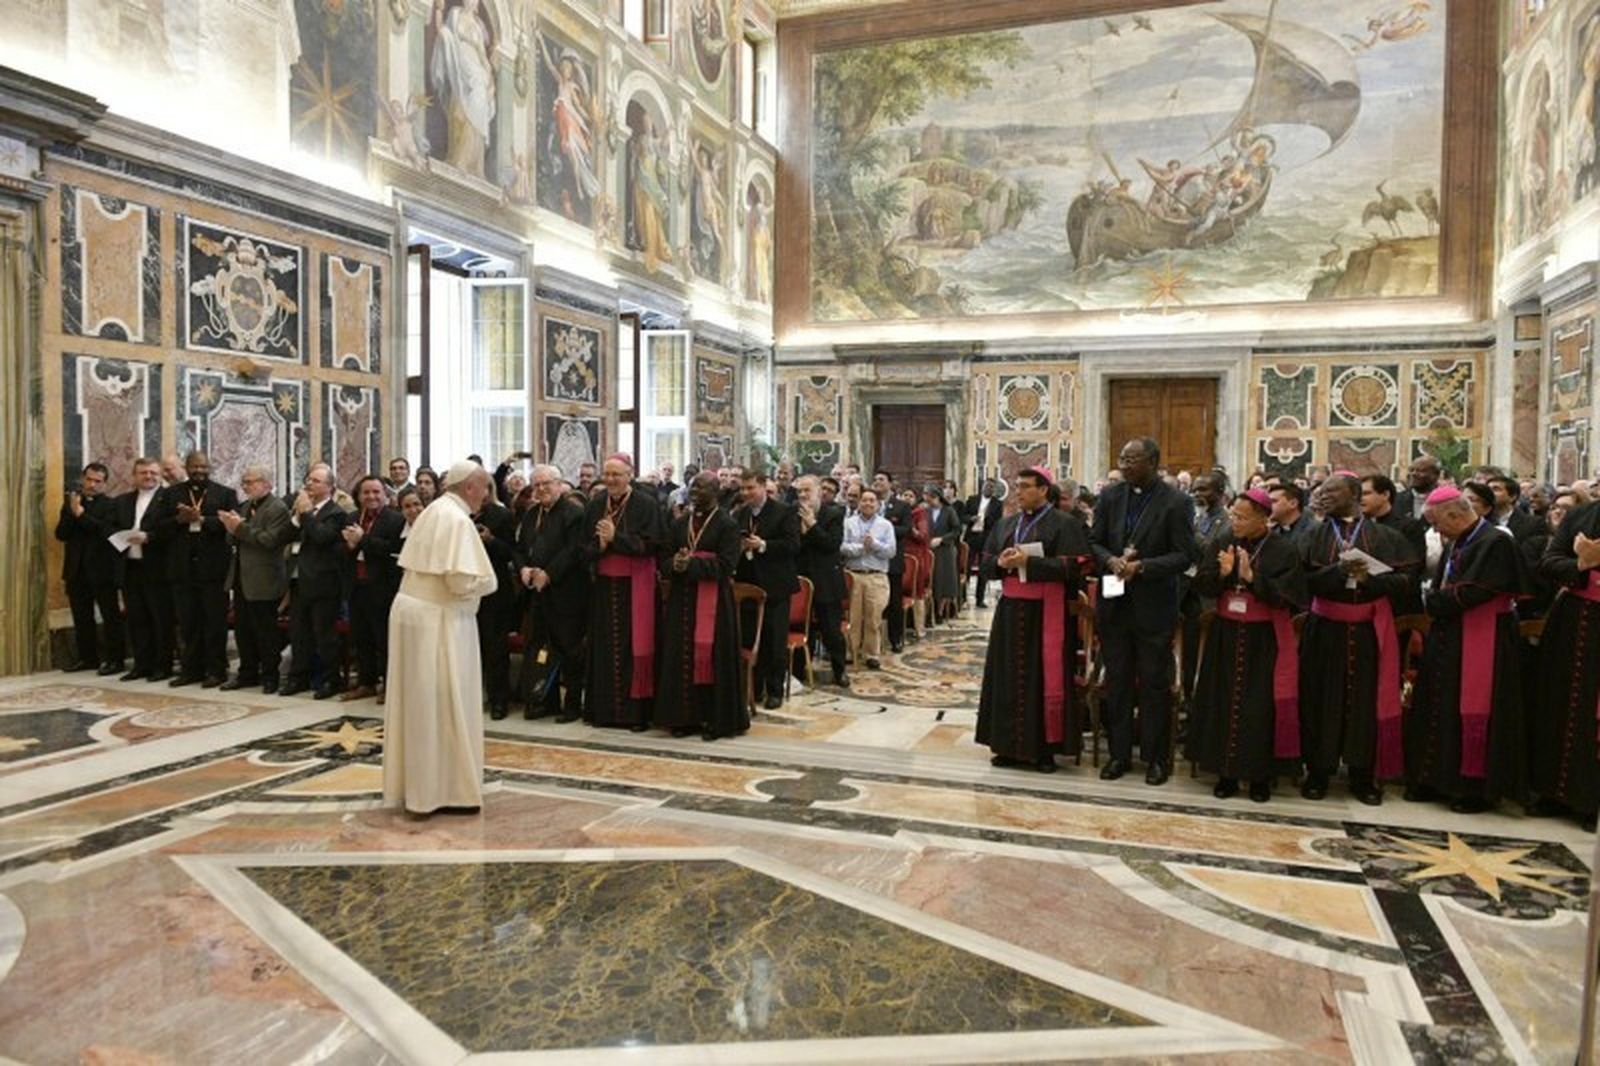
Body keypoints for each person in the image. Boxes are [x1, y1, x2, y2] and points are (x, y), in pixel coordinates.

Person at [383, 461, 499, 815]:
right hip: (439, 622)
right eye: (484, 488)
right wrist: (489, 582)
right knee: (442, 704)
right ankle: (444, 792)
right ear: (469, 488)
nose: (487, 495)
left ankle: (421, 789)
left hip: (415, 613)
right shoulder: (456, 519)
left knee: (420, 704)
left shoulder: (435, 510)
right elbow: (459, 582)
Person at [1297, 473, 1417, 805]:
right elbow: (1300, 581)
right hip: (1324, 631)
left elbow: (1405, 581)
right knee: (1321, 698)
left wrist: (1370, 580)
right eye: (1321, 492)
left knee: (1366, 701)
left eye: (1331, 491)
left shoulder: (1385, 535)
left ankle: (1362, 775)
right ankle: (1318, 772)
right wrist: (1336, 573)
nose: (1323, 497)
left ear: (1352, 494)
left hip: (1368, 632)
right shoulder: (1312, 535)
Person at [1405, 488, 1526, 814]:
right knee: (1439, 704)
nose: (1435, 532)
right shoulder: (1460, 539)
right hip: (1450, 633)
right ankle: (1435, 778)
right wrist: (1435, 599)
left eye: (1436, 524)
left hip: (1483, 636)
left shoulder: (1496, 541)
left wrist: (1433, 601)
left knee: (1473, 708)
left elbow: (1475, 591)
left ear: (1455, 515)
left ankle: (1472, 788)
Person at [1090, 438, 1200, 785]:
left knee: (1154, 683)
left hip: (1154, 605)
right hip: (1115, 602)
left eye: (1132, 460)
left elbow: (1185, 555)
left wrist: (1144, 567)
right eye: (1122, 459)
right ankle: (1119, 755)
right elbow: (1093, 541)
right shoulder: (1110, 496)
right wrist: (1110, 560)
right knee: (1118, 681)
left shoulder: (1177, 501)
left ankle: (1156, 758)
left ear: (1152, 462)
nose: (1124, 465)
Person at [1189, 489, 1306, 802]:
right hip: (1226, 634)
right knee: (1222, 700)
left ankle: (1260, 778)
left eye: (1241, 517)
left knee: (1261, 705)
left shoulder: (1284, 549)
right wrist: (1224, 575)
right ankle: (1225, 773)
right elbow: (1202, 582)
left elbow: (1290, 597)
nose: (1234, 522)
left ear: (1262, 518)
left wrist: (1253, 578)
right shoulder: (1223, 540)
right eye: (1232, 516)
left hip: (1264, 638)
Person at [977, 467, 1090, 773]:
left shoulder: (1064, 523)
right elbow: (984, 563)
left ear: (1043, 490)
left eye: (1026, 486)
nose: (1019, 491)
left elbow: (1076, 566)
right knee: (1008, 677)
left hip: (1046, 613)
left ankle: (1043, 751)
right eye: (1017, 486)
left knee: (1042, 678)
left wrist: (1031, 562)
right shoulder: (1007, 524)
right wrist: (1000, 563)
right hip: (1011, 611)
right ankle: (1007, 746)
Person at [655, 472, 745, 740]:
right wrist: (675, 565)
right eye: (692, 488)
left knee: (712, 658)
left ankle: (713, 720)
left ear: (716, 492)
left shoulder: (727, 524)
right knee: (680, 656)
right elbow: (664, 559)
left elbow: (728, 564)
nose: (695, 493)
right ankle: (683, 717)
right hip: (682, 600)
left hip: (714, 601)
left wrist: (690, 564)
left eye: (701, 488)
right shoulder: (680, 522)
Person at [1532, 495, 1600, 829]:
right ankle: (1553, 792)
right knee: (1558, 701)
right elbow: (1548, 562)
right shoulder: (1581, 515)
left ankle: (1591, 800)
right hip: (1572, 620)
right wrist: (1581, 566)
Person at [584, 454, 662, 730]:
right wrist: (601, 546)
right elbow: (584, 547)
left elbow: (653, 544)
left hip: (635, 587)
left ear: (630, 475)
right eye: (607, 474)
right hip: (605, 588)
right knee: (606, 648)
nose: (611, 480)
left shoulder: (646, 504)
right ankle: (605, 712)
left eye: (617, 474)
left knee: (634, 648)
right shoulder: (595, 505)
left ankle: (636, 714)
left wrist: (615, 538)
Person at [148, 452, 238, 687]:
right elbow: (157, 528)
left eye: (204, 466)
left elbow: (231, 526)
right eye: (195, 466)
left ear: (210, 467)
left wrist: (203, 519)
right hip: (182, 570)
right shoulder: (171, 494)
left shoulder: (225, 494)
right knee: (188, 622)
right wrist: (179, 519)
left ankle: (216, 670)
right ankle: (191, 670)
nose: (199, 471)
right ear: (186, 468)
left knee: (214, 622)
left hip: (214, 570)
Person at [516, 464, 588, 720]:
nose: (542, 489)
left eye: (547, 483)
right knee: (539, 648)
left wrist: (549, 573)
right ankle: (543, 701)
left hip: (566, 593)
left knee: (569, 649)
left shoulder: (574, 513)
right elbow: (520, 547)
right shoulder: (531, 514)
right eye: (537, 485)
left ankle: (571, 705)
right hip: (537, 593)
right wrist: (523, 567)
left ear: (559, 484)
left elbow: (573, 550)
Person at [217, 466, 292, 693]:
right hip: (241, 576)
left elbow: (270, 540)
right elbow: (233, 539)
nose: (246, 486)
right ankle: (247, 672)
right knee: (243, 629)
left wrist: (239, 528)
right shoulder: (246, 505)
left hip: (265, 577)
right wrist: (231, 527)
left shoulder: (277, 508)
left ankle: (270, 676)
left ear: (267, 484)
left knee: (265, 631)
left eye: (251, 482)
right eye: (244, 482)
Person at [282, 466, 354, 699]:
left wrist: (306, 515)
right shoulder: (303, 510)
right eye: (308, 479)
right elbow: (285, 537)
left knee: (325, 636)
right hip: (299, 580)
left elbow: (322, 537)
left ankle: (331, 680)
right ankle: (299, 678)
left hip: (324, 583)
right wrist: (297, 517)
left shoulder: (336, 513)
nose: (310, 484)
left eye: (316, 481)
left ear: (329, 487)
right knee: (299, 633)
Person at [733, 469, 802, 710]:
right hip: (748, 585)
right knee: (751, 638)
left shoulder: (784, 511)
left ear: (763, 486)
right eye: (743, 488)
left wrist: (763, 545)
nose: (746, 493)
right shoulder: (740, 514)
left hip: (776, 586)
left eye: (750, 488)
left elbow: (793, 545)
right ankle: (756, 688)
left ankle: (775, 690)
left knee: (774, 641)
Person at [55, 462, 124, 674]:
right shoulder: (72, 503)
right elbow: (61, 534)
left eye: (97, 481)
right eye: (89, 479)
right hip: (76, 571)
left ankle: (115, 660)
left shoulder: (111, 505)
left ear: (104, 483)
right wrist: (72, 512)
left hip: (102, 571)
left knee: (109, 617)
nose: (92, 485)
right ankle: (88, 658)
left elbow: (105, 532)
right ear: (82, 479)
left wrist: (81, 515)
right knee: (82, 617)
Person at [341, 476, 406, 702]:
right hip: (356, 586)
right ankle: (366, 683)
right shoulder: (351, 518)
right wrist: (348, 547)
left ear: (385, 495)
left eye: (376, 492)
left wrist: (363, 540)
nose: (371, 497)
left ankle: (390, 686)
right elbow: (341, 552)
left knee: (384, 639)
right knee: (361, 637)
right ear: (358, 496)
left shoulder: (395, 520)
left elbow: (393, 552)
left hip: (383, 587)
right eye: (366, 493)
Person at [115, 457, 172, 680]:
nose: (148, 477)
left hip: (157, 567)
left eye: (152, 473)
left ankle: (162, 666)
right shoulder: (123, 501)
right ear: (135, 476)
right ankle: (141, 665)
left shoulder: (168, 499)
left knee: (160, 618)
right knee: (137, 618)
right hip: (130, 566)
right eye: (143, 473)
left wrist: (149, 537)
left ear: (159, 476)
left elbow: (172, 528)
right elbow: (111, 527)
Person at [472, 485, 519, 720]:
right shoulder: (459, 515)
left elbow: (511, 553)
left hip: (494, 592)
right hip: (465, 590)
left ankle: (500, 699)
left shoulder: (501, 516)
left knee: (495, 649)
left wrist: (490, 540)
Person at [797, 475, 848, 688]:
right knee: (800, 627)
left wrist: (812, 524)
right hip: (801, 580)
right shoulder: (791, 513)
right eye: (799, 491)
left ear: (819, 492)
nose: (802, 495)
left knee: (831, 631)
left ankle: (840, 670)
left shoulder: (834, 514)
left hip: (826, 580)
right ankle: (797, 672)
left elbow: (830, 545)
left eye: (807, 491)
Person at [841, 488, 895, 670]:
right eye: (864, 500)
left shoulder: (885, 525)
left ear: (878, 504)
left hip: (876, 576)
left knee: (873, 617)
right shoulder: (849, 523)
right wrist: (861, 548)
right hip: (854, 574)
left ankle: (872, 653)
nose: (868, 504)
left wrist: (875, 544)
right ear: (859, 502)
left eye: (872, 500)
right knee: (853, 617)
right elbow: (842, 547)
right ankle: (851, 651)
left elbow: (891, 551)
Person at [873, 470, 913, 652]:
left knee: (894, 602)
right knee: (874, 602)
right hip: (872, 560)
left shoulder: (902, 506)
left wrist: (885, 529)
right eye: (875, 480)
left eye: (881, 479)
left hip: (892, 561)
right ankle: (873, 641)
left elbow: (906, 529)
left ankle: (895, 639)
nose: (877, 482)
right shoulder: (869, 502)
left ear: (890, 483)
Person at [965, 479, 1005, 608]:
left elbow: (997, 522)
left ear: (994, 490)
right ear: (982, 487)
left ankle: (979, 599)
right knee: (966, 567)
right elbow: (963, 516)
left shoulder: (997, 504)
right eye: (986, 486)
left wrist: (986, 520)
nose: (988, 489)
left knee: (983, 570)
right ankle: (962, 597)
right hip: (972, 537)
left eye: (991, 487)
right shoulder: (972, 499)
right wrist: (971, 518)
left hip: (986, 538)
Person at [924, 484, 961, 623]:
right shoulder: (925, 511)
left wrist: (942, 539)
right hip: (929, 550)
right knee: (931, 580)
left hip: (945, 550)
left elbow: (956, 530)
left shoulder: (949, 511)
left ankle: (940, 611)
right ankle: (930, 612)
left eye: (931, 497)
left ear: (937, 498)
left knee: (944, 581)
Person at [1486, 476, 1541, 541]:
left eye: (1496, 489)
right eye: (1487, 489)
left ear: (1512, 496)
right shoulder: (1482, 521)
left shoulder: (1533, 524)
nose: (1489, 493)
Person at [1394, 455, 1442, 520]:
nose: (1414, 474)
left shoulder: (1446, 501)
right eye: (1411, 470)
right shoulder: (1396, 500)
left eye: (1421, 470)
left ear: (1436, 475)